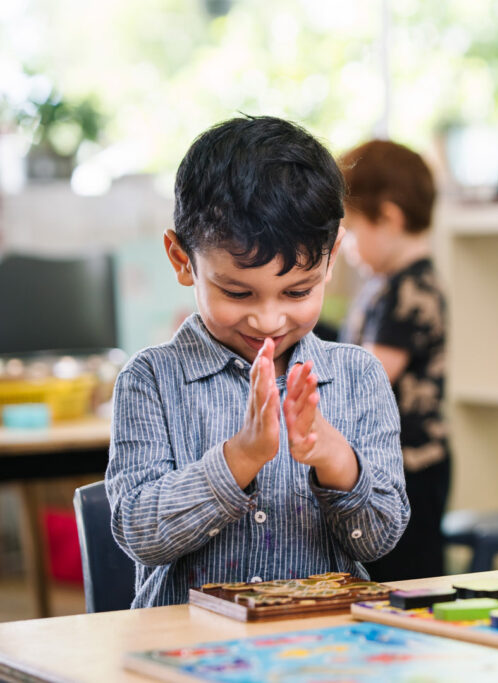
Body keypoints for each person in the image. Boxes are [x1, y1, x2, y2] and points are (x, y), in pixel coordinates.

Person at [105, 116, 409, 608]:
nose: (268, 320)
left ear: (330, 260)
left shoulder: (357, 376)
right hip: (189, 651)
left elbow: (379, 539)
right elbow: (140, 532)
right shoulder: (151, 380)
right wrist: (240, 458)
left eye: (297, 291)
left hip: (323, 647)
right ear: (182, 260)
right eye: (237, 292)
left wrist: (335, 459)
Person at [337, 139, 450, 581]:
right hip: (393, 461)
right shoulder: (385, 284)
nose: (345, 246)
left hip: (410, 465)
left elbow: (371, 376)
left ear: (389, 217)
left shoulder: (411, 289)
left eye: (351, 229)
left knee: (406, 579)